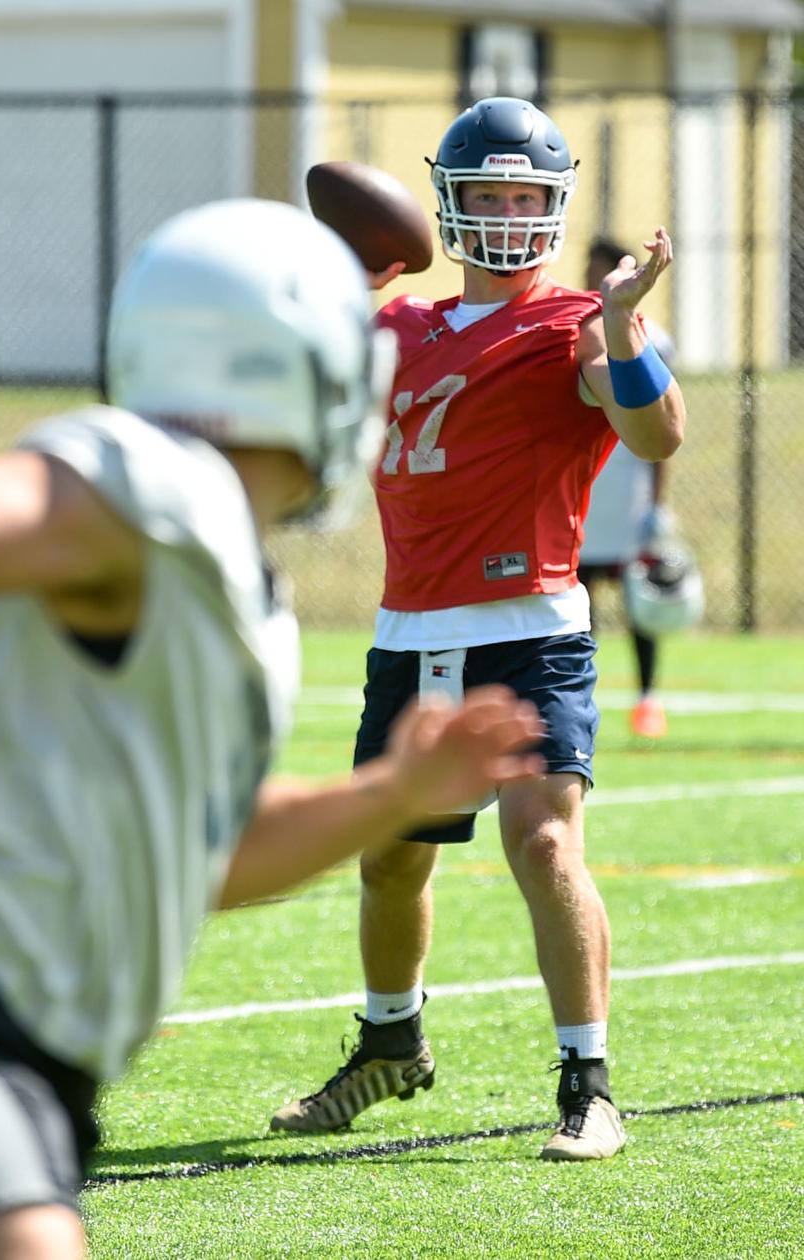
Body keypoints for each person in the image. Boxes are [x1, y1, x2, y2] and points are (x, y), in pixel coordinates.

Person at [0, 199, 544, 1260]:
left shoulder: (238, 581)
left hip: (40, 1065)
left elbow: (205, 855)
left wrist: (385, 800)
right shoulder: (150, 484)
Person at [271, 98, 685, 1160]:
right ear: (448, 207)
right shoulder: (393, 323)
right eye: (487, 195)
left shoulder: (582, 322)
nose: (506, 213)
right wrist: (333, 275)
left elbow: (655, 429)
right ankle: (388, 1046)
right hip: (411, 629)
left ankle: (589, 1087)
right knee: (390, 866)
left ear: (553, 208)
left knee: (541, 838)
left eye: (524, 196)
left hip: (529, 625)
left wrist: (628, 322)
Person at [580, 236, 679, 738]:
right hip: (584, 491)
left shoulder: (651, 336)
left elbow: (664, 423)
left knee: (641, 601)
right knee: (579, 601)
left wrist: (658, 504)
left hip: (628, 494)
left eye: (599, 269)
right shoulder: (574, 330)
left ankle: (647, 698)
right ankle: (582, 694)